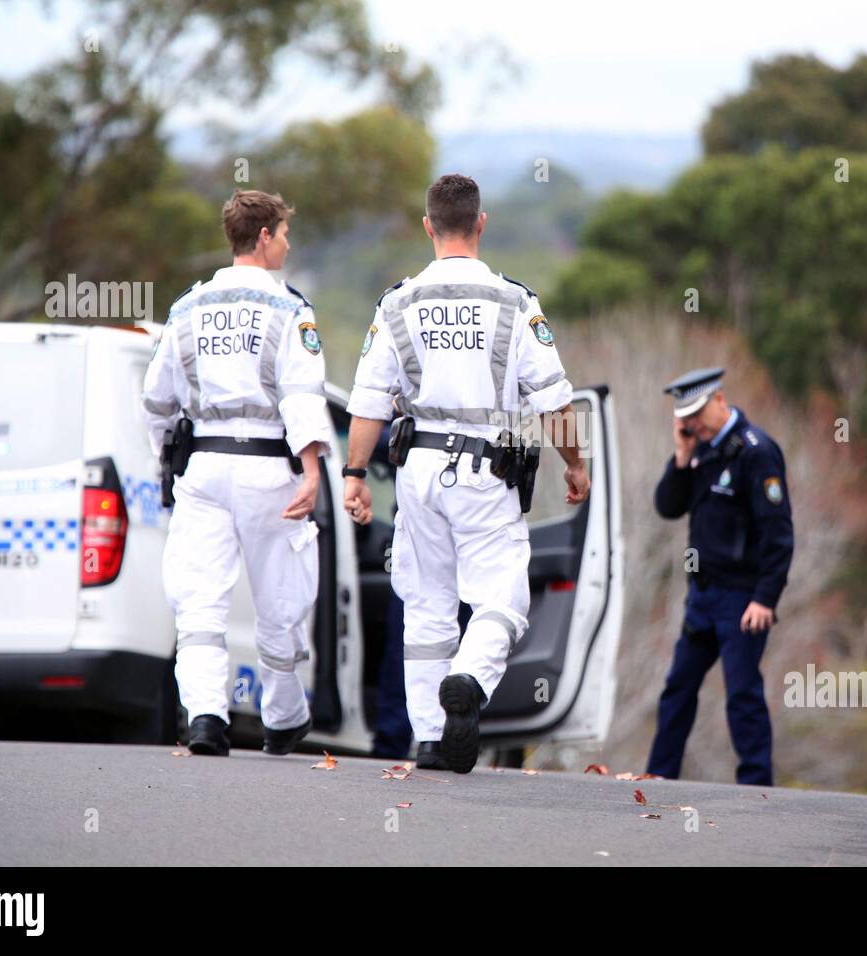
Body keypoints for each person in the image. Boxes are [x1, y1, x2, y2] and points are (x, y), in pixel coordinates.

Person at [341, 173, 589, 773]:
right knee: (502, 596)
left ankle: (430, 737)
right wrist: (575, 465)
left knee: (425, 606)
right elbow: (553, 398)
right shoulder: (514, 301)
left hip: (417, 469)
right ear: (481, 224)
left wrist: (352, 475)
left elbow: (369, 400)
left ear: (429, 227)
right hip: (484, 468)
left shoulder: (398, 302)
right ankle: (470, 680)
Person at [141, 189, 332, 757]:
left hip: (202, 468)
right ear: (266, 237)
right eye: (285, 234)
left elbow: (156, 401)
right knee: (280, 600)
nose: (288, 245)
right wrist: (313, 468)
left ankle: (205, 718)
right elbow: (301, 395)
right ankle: (281, 718)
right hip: (268, 469)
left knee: (199, 603)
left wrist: (168, 458)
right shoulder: (290, 309)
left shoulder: (187, 307)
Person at [645, 367, 794, 786]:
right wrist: (681, 457)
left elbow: (778, 533)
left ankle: (756, 786)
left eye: (696, 414)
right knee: (677, 688)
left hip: (743, 599)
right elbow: (668, 507)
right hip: (704, 597)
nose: (691, 424)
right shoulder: (701, 449)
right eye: (684, 417)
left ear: (720, 401)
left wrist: (765, 598)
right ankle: (658, 776)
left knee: (742, 693)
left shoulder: (755, 451)